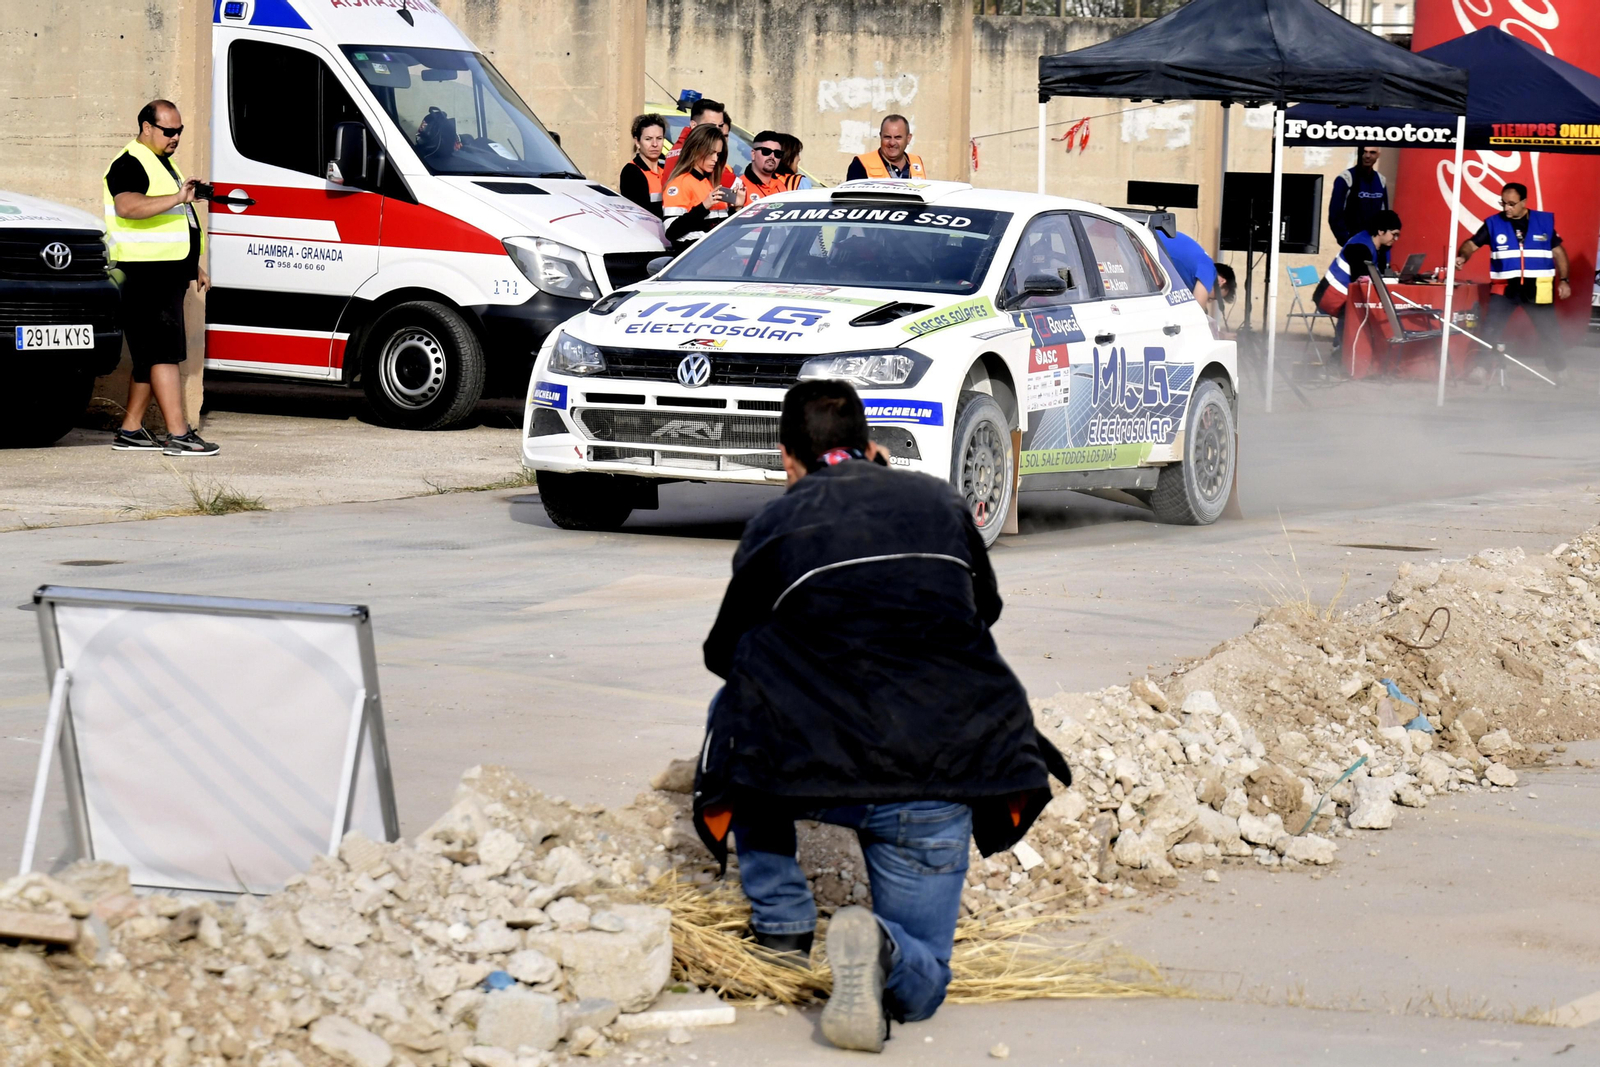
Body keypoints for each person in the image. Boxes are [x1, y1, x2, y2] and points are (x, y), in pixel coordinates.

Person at [692, 379, 1070, 1053]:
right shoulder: (939, 501)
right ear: (872, 446)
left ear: (786, 458)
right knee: (927, 977)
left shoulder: (778, 523)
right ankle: (886, 948)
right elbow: (982, 612)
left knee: (738, 708)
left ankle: (781, 925)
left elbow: (725, 654)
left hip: (813, 770)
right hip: (940, 769)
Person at [103, 98, 217, 456]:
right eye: (169, 131)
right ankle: (179, 435)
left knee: (147, 357)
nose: (176, 137)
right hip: (143, 276)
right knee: (163, 355)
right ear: (147, 128)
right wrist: (176, 198)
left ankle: (131, 430)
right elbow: (127, 206)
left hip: (163, 271)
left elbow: (170, 224)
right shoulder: (129, 162)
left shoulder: (162, 164)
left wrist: (190, 265)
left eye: (180, 131)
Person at [1454, 182, 1572, 381]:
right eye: (1503, 203)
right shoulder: (1493, 223)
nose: (1506, 208)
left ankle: (1559, 370)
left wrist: (1565, 280)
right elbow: (1471, 244)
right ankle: (1481, 369)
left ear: (1524, 202)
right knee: (1491, 327)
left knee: (1549, 329)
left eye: (1511, 204)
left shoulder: (1543, 222)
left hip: (1538, 287)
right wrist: (1462, 257)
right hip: (1505, 287)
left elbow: (1558, 252)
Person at [662, 124, 742, 253]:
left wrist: (737, 208)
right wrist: (703, 207)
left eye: (718, 154)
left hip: (721, 256)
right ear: (695, 150)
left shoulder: (714, 182)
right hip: (697, 261)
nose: (715, 159)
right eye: (711, 153)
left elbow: (723, 229)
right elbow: (672, 232)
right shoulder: (679, 183)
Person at [1328, 146, 1390, 268]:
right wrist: (1347, 242)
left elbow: (1385, 216)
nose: (1367, 156)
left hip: (1374, 248)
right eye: (1364, 152)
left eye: (1372, 153)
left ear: (1378, 155)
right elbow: (1335, 215)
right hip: (1354, 246)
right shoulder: (1346, 178)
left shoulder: (1381, 180)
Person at [663, 97, 736, 188]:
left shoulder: (687, 146)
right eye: (711, 125)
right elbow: (728, 183)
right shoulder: (691, 151)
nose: (718, 131)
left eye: (720, 126)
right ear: (694, 125)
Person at [1154, 228, 1218, 311]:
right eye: (1213, 298)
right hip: (1144, 240)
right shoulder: (1209, 268)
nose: (1209, 300)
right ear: (1221, 281)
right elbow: (1196, 311)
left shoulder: (1196, 266)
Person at [846, 115, 925, 182]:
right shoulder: (860, 164)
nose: (892, 143)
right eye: (887, 137)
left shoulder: (917, 162)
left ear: (908, 138)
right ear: (880, 136)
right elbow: (850, 199)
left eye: (898, 137)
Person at [619, 113, 668, 218]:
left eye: (659, 138)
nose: (655, 144)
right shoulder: (631, 172)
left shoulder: (667, 169)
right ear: (637, 142)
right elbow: (640, 213)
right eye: (648, 139)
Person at [732, 130, 789, 203]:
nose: (772, 156)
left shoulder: (781, 186)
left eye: (777, 153)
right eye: (766, 151)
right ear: (753, 154)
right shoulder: (739, 185)